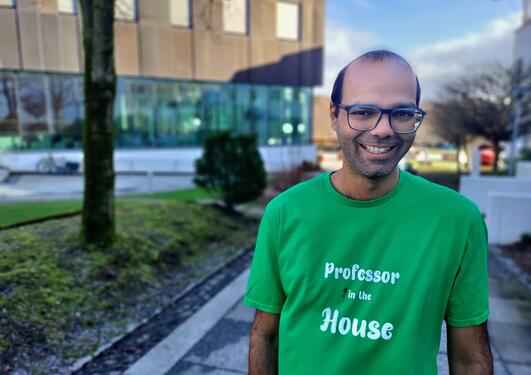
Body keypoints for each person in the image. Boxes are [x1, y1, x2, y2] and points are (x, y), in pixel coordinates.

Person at [244, 50, 493, 374]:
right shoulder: (285, 212)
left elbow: (471, 359)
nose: (382, 130)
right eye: (363, 112)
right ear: (334, 116)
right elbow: (266, 334)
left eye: (402, 113)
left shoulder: (458, 220)